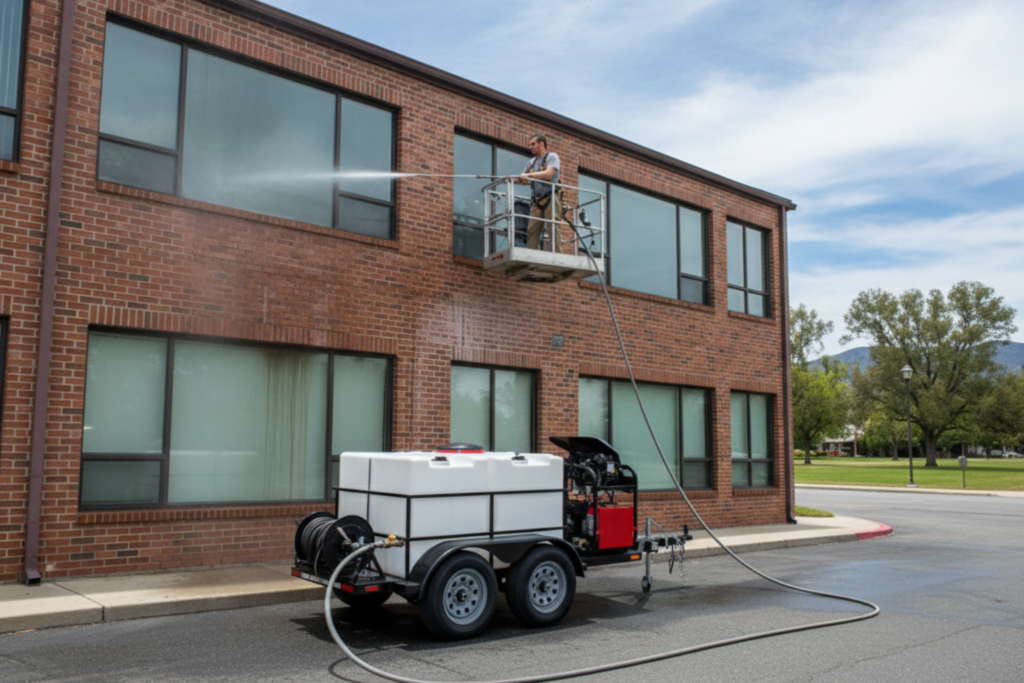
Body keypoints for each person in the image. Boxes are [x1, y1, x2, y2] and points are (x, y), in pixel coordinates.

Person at [517, 133, 562, 252]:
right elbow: (524, 179)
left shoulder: (552, 157)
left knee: (552, 228)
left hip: (550, 198)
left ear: (541, 144)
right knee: (532, 230)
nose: (530, 147)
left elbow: (548, 174)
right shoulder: (531, 163)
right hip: (537, 201)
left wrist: (529, 175)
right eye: (529, 145)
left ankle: (558, 256)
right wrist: (512, 180)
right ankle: (531, 257)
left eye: (533, 144)